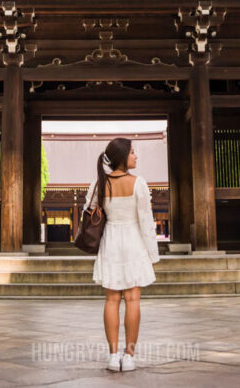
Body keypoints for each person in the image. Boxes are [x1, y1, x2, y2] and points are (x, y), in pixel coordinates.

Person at [83, 137, 160, 372]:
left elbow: (89, 208)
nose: (136, 156)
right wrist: (152, 255)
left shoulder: (100, 183)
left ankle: (113, 355)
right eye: (133, 152)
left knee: (111, 299)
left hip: (111, 241)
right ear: (122, 157)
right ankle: (129, 356)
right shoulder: (139, 183)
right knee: (133, 299)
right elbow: (146, 222)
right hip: (134, 241)